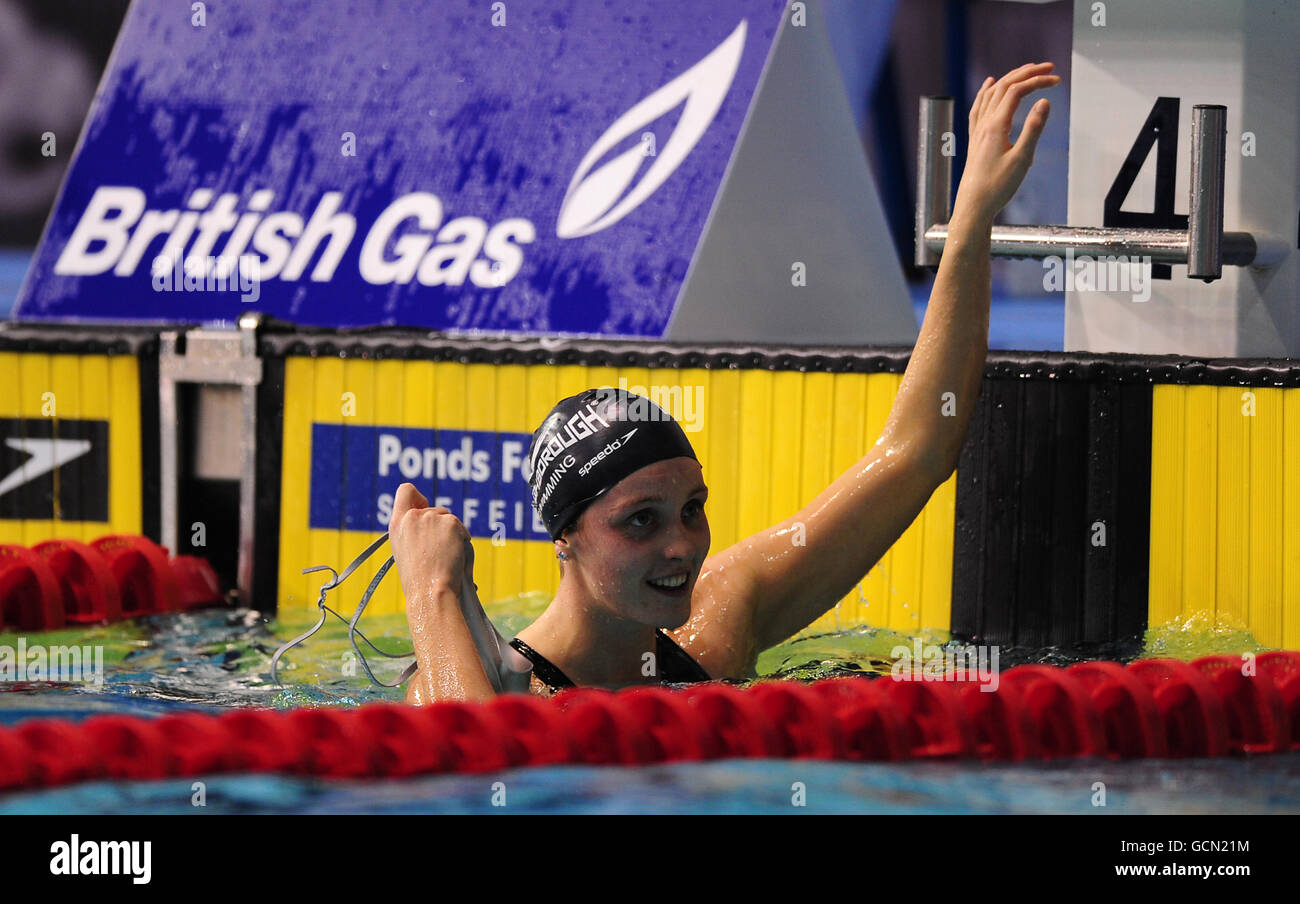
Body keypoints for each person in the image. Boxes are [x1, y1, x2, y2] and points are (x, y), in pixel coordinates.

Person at [393, 62, 1061, 705]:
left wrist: (973, 214)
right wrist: (431, 590)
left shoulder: (714, 625)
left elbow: (917, 453)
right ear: (564, 536)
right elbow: (476, 782)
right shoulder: (488, 685)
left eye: (692, 508)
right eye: (640, 522)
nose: (681, 545)